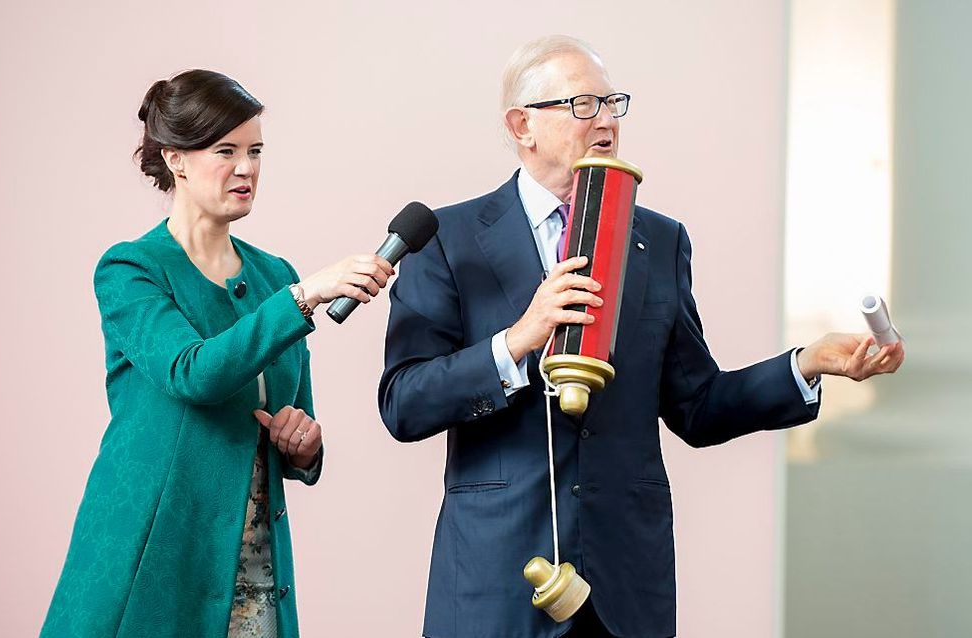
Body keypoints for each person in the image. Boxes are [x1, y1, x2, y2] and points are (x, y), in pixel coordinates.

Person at [377, 36, 904, 638]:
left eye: (612, 104)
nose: (605, 121)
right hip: (497, 580)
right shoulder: (450, 237)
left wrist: (806, 364)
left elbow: (699, 406)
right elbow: (405, 402)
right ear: (522, 125)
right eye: (581, 106)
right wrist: (520, 338)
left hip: (625, 584)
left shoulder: (659, 240)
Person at [42, 69, 394, 638]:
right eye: (225, 150)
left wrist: (302, 446)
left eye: (255, 150)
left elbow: (292, 414)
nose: (247, 167)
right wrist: (304, 297)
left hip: (253, 560)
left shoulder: (272, 276)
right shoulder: (132, 269)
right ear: (176, 159)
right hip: (155, 558)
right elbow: (192, 373)